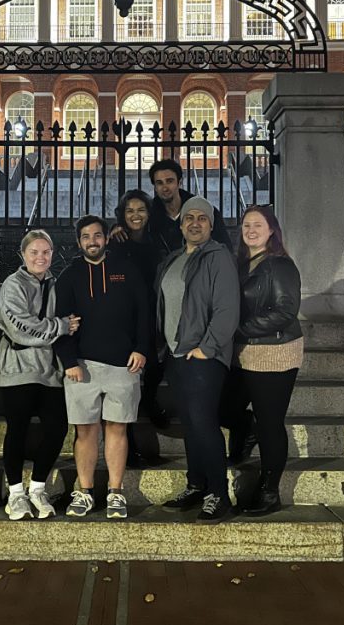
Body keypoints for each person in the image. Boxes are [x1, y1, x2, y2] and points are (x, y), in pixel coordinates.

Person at [54, 215, 149, 519]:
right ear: (79, 241)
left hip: (123, 365)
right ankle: (84, 492)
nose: (92, 241)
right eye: (86, 237)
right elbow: (61, 321)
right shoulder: (69, 276)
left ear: (106, 238)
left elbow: (144, 313)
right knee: (85, 431)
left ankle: (116, 492)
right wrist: (68, 361)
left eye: (97, 235)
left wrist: (142, 349)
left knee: (117, 429)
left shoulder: (128, 271)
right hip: (82, 366)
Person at [156, 196, 240, 523]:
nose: (194, 223)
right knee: (191, 424)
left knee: (204, 423)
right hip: (176, 355)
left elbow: (226, 309)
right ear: (181, 224)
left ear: (210, 224)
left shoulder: (218, 258)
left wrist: (207, 347)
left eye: (201, 218)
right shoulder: (174, 259)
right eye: (188, 217)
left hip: (203, 355)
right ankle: (196, 484)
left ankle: (218, 493)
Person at [0, 230, 80, 520]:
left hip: (49, 370)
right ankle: (16, 493)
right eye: (34, 252)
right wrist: (60, 327)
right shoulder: (12, 285)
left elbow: (70, 319)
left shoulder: (57, 285)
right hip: (17, 369)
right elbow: (21, 328)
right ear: (23, 255)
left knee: (57, 428)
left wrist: (61, 326)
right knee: (17, 430)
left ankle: (38, 487)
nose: (40, 257)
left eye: (46, 252)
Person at [231, 206, 302, 516]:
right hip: (244, 351)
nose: (251, 230)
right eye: (247, 224)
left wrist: (239, 329)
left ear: (272, 230)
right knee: (227, 405)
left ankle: (270, 491)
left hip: (274, 351)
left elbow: (285, 312)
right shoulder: (243, 263)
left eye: (258, 224)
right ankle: (248, 429)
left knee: (270, 422)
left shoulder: (279, 265)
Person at [108, 189, 170, 461]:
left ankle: (151, 402)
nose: (136, 215)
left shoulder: (158, 240)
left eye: (141, 209)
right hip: (125, 316)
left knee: (156, 365)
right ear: (122, 214)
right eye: (130, 210)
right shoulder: (116, 243)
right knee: (127, 380)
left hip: (154, 312)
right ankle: (129, 444)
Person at [113, 159, 232, 253]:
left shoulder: (203, 211)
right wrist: (118, 227)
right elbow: (135, 229)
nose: (165, 188)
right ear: (154, 186)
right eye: (159, 183)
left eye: (169, 181)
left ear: (179, 182)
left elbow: (224, 247)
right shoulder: (151, 213)